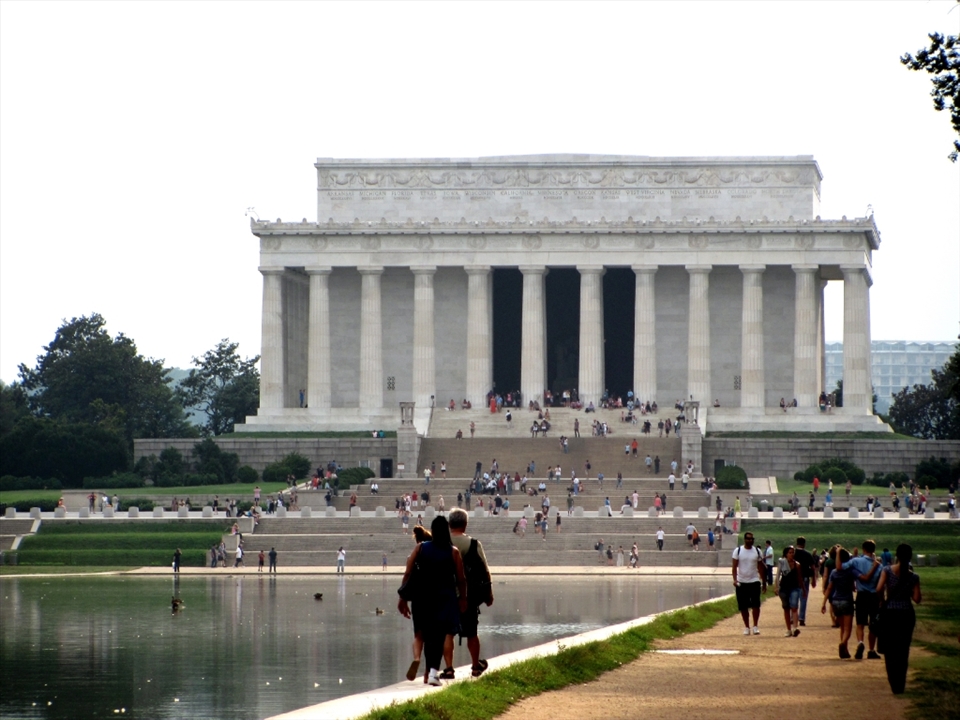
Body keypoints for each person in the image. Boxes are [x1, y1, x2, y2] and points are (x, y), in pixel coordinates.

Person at [398, 517, 467, 687]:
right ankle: (432, 673)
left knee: (422, 634)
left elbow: (408, 573)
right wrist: (463, 598)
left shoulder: (420, 548)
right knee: (438, 637)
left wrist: (402, 597)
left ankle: (422, 665)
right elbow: (461, 579)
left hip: (421, 598)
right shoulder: (454, 552)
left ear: (433, 531)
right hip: (444, 599)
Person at [447, 508, 493, 678]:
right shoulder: (473, 544)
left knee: (448, 633)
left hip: (446, 595)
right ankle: (475, 666)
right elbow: (485, 570)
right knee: (472, 632)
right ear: (465, 524)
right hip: (469, 596)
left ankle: (449, 669)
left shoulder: (440, 543)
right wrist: (489, 594)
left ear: (449, 524)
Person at [875, 543, 922, 694]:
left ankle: (893, 682)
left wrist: (882, 601)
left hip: (890, 613)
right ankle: (901, 683)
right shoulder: (913, 576)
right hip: (906, 614)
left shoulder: (887, 570)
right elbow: (917, 599)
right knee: (903, 649)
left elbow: (879, 588)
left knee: (890, 649)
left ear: (897, 556)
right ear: (910, 557)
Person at [842, 539, 882, 659]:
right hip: (874, 595)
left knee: (860, 623)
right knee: (873, 624)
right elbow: (881, 585)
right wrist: (882, 599)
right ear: (873, 550)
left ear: (863, 549)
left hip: (862, 595)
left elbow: (842, 567)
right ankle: (871, 650)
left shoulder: (856, 561)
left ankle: (860, 642)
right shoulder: (879, 566)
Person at [821, 545, 856, 658]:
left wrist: (824, 603)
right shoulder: (850, 572)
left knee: (842, 628)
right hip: (846, 600)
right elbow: (853, 586)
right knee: (848, 629)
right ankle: (842, 644)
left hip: (835, 601)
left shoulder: (834, 572)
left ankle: (845, 651)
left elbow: (829, 588)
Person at [732, 531, 767, 635]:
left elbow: (760, 567)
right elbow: (734, 567)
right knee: (743, 606)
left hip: (754, 581)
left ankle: (755, 626)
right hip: (741, 581)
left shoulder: (757, 551)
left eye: (752, 539)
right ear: (744, 539)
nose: (750, 540)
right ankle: (747, 626)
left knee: (756, 605)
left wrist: (764, 582)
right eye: (748, 538)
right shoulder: (738, 551)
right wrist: (735, 579)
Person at [774, 545, 803, 637]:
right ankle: (788, 629)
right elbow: (778, 575)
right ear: (786, 554)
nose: (792, 554)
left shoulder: (797, 565)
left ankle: (795, 628)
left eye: (793, 552)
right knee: (786, 608)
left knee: (794, 607)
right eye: (790, 553)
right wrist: (776, 587)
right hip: (784, 588)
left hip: (794, 588)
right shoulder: (782, 563)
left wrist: (803, 589)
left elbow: (800, 578)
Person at [794, 536, 818, 627]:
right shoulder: (807, 554)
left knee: (793, 598)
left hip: (794, 578)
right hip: (804, 578)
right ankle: (801, 618)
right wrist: (814, 579)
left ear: (797, 543)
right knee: (803, 598)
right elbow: (813, 567)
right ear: (804, 544)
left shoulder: (792, 553)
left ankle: (793, 617)